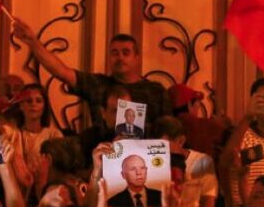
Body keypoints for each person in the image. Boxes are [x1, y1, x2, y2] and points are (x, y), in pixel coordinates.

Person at [12, 20, 172, 128]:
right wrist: (33, 42)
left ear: (137, 58)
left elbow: (169, 131)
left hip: (145, 158)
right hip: (100, 153)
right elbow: (61, 71)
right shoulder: (98, 84)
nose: (120, 57)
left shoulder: (155, 91)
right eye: (115, 53)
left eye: (126, 52)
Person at [154, 116, 218, 207]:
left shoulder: (202, 162)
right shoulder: (151, 162)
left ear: (181, 141)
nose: (158, 151)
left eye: (163, 145)